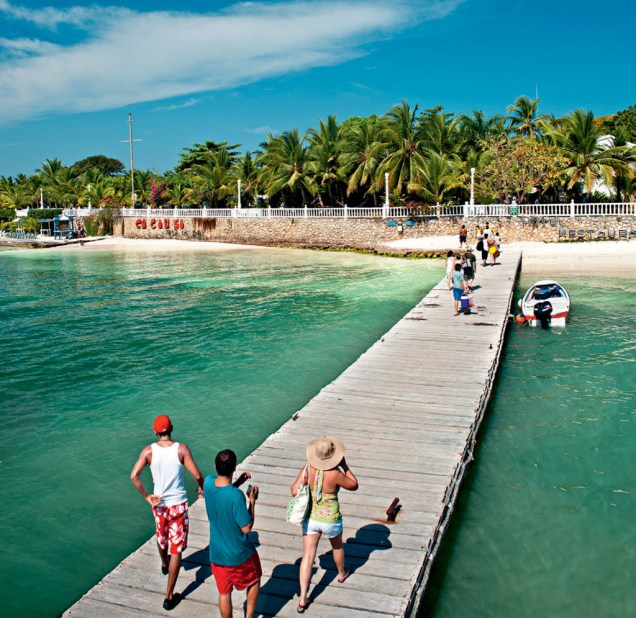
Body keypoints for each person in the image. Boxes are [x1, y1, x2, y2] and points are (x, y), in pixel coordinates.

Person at [130, 415, 204, 611]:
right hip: (178, 504)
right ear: (171, 428)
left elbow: (134, 476)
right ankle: (169, 597)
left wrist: (147, 497)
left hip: (160, 505)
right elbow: (197, 475)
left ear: (154, 431)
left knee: (161, 538)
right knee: (177, 549)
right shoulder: (181, 449)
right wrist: (201, 488)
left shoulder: (148, 451)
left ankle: (164, 563)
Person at [291, 436, 358, 613]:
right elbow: (354, 485)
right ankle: (342, 573)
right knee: (337, 547)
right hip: (330, 519)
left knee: (307, 556)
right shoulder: (336, 473)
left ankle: (303, 597)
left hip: (311, 519)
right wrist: (345, 466)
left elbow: (293, 490)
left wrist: (305, 482)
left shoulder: (307, 469)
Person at [204, 450, 260, 618]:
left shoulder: (208, 483)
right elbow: (246, 528)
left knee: (224, 593)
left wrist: (238, 482)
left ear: (215, 467)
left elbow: (221, 491)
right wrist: (252, 502)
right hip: (238, 555)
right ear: (234, 467)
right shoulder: (236, 496)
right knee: (255, 580)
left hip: (217, 554)